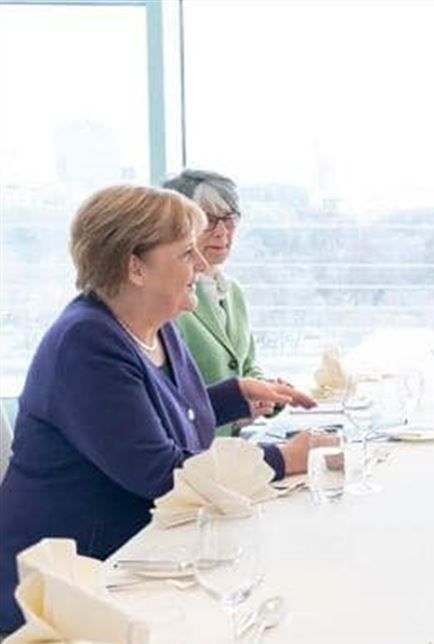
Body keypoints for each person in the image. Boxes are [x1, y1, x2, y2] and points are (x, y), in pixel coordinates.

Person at [0, 185, 325, 631]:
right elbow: (160, 473)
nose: (202, 264)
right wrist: (284, 459)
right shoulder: (85, 343)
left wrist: (235, 395)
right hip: (70, 587)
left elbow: (164, 417)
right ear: (135, 266)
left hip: (138, 558)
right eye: (186, 252)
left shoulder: (156, 325)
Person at [162, 171, 272, 431]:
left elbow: (247, 364)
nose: (222, 232)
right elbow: (169, 398)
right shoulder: (170, 301)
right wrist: (238, 402)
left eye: (229, 219)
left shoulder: (233, 292)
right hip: (193, 447)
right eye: (208, 220)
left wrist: (267, 393)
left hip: (232, 444)